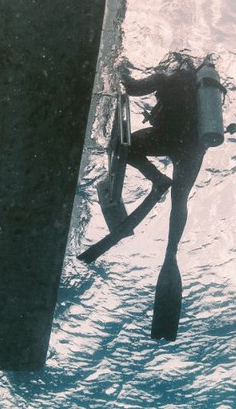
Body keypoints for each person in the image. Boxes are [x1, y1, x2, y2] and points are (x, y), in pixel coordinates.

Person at [80, 52, 227, 341]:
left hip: (167, 138)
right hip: (193, 149)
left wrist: (118, 69)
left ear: (172, 66)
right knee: (180, 201)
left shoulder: (163, 78)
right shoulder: (206, 94)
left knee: (130, 148)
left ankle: (157, 179)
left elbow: (132, 88)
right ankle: (171, 252)